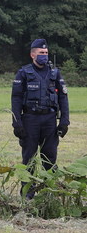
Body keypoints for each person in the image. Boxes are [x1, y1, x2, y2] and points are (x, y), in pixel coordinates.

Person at [11, 38, 70, 197]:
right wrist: (17, 123)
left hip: (50, 120)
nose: (44, 55)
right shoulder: (23, 73)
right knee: (29, 158)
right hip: (30, 120)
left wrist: (64, 121)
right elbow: (16, 98)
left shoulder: (54, 73)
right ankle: (27, 196)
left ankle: (49, 194)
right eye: (41, 53)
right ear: (32, 55)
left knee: (49, 159)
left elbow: (63, 97)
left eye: (46, 52)